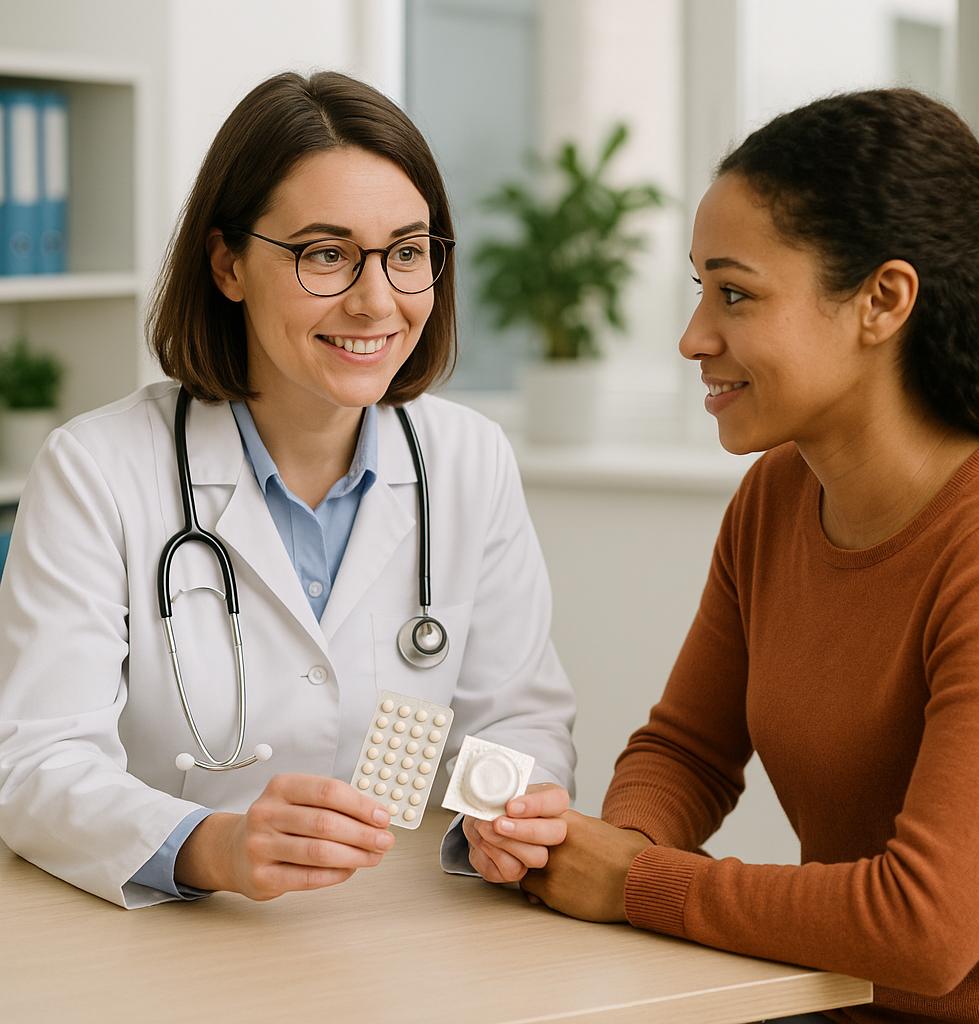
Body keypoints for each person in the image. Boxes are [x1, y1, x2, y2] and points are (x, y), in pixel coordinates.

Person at [504, 88, 979, 1023]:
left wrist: (638, 882)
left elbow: (926, 928)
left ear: (883, 300)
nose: (694, 337)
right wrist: (596, 848)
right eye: (699, 288)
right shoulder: (778, 496)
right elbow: (689, 751)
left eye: (736, 294)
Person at [0, 71, 575, 909]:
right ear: (228, 263)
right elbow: (35, 762)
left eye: (408, 252)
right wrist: (213, 846)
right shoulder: (97, 470)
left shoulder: (469, 459)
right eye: (326, 254)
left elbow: (520, 717)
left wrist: (501, 812)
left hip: (408, 928)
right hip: (173, 939)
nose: (378, 300)